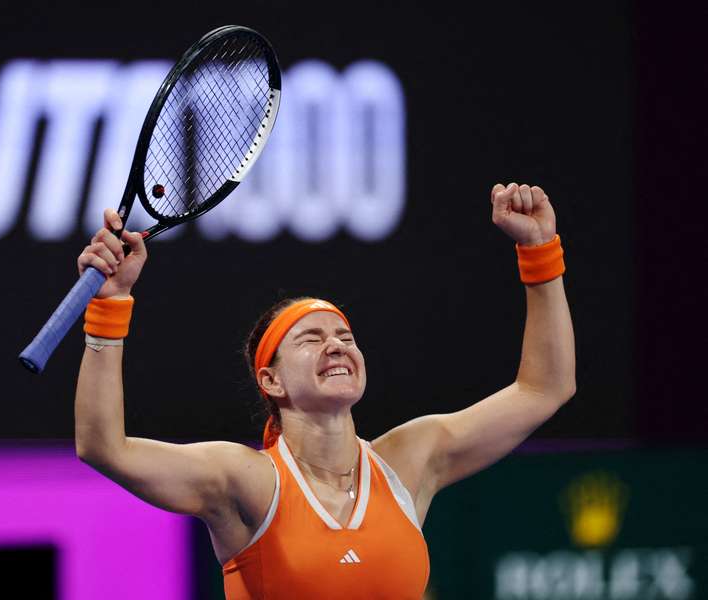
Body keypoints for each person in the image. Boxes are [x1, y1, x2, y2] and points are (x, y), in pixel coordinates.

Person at [74, 182, 575, 599]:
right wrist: (110, 306)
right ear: (271, 381)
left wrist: (539, 252)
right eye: (311, 340)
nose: (336, 345)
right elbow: (104, 447)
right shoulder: (245, 480)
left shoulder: (411, 461)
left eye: (345, 337)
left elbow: (545, 388)